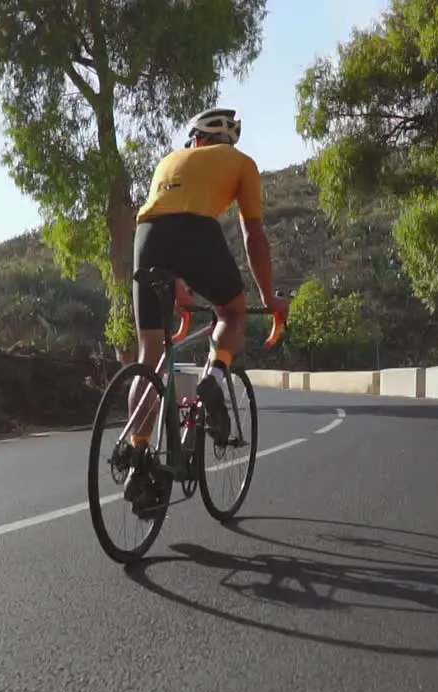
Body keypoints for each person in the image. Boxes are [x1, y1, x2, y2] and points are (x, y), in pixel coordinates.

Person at [121, 107, 289, 515]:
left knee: (150, 356)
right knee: (231, 313)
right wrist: (268, 298)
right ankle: (214, 375)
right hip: (196, 231)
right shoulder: (242, 164)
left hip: (146, 235)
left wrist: (178, 292)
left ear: (194, 140)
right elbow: (254, 236)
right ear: (227, 142)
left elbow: (164, 223)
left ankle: (137, 454)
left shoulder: (168, 161)